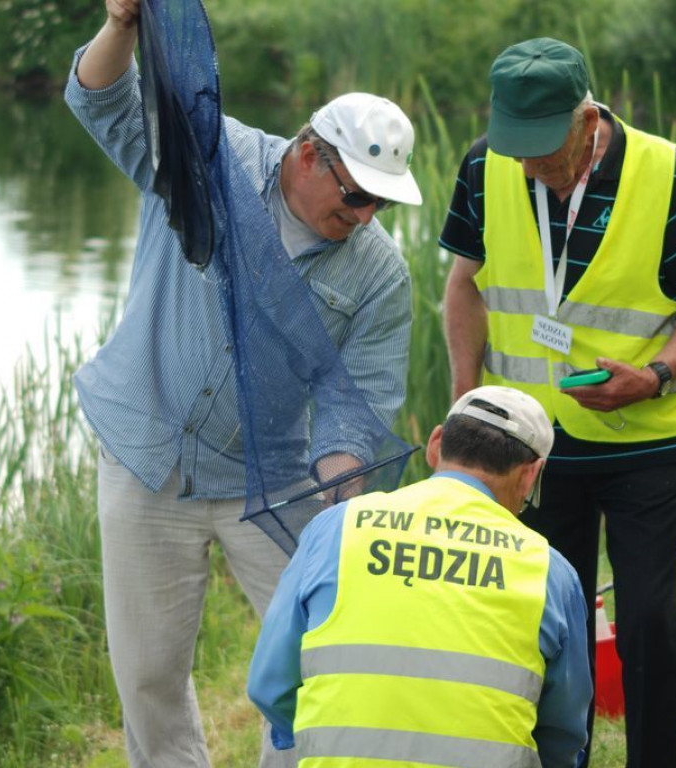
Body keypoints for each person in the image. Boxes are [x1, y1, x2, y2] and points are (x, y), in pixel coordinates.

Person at [64, 2, 422, 767]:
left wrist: (340, 485)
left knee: (314, 659)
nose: (364, 216)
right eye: (355, 195)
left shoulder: (382, 277)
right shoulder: (208, 155)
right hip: (144, 456)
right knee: (148, 673)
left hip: (276, 482)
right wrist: (123, 25)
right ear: (306, 155)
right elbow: (99, 100)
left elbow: (356, 409)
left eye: (381, 203)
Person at [439, 38, 676, 768]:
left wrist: (655, 375)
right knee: (541, 619)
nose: (531, 165)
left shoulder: (663, 170)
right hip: (529, 447)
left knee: (649, 623)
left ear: (588, 118)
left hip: (647, 439)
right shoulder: (484, 163)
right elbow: (463, 288)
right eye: (519, 148)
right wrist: (466, 406)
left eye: (545, 148)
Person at [247, 385, 592, 768]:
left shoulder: (336, 527)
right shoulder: (549, 569)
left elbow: (270, 684)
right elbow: (563, 731)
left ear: (436, 443)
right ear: (531, 475)